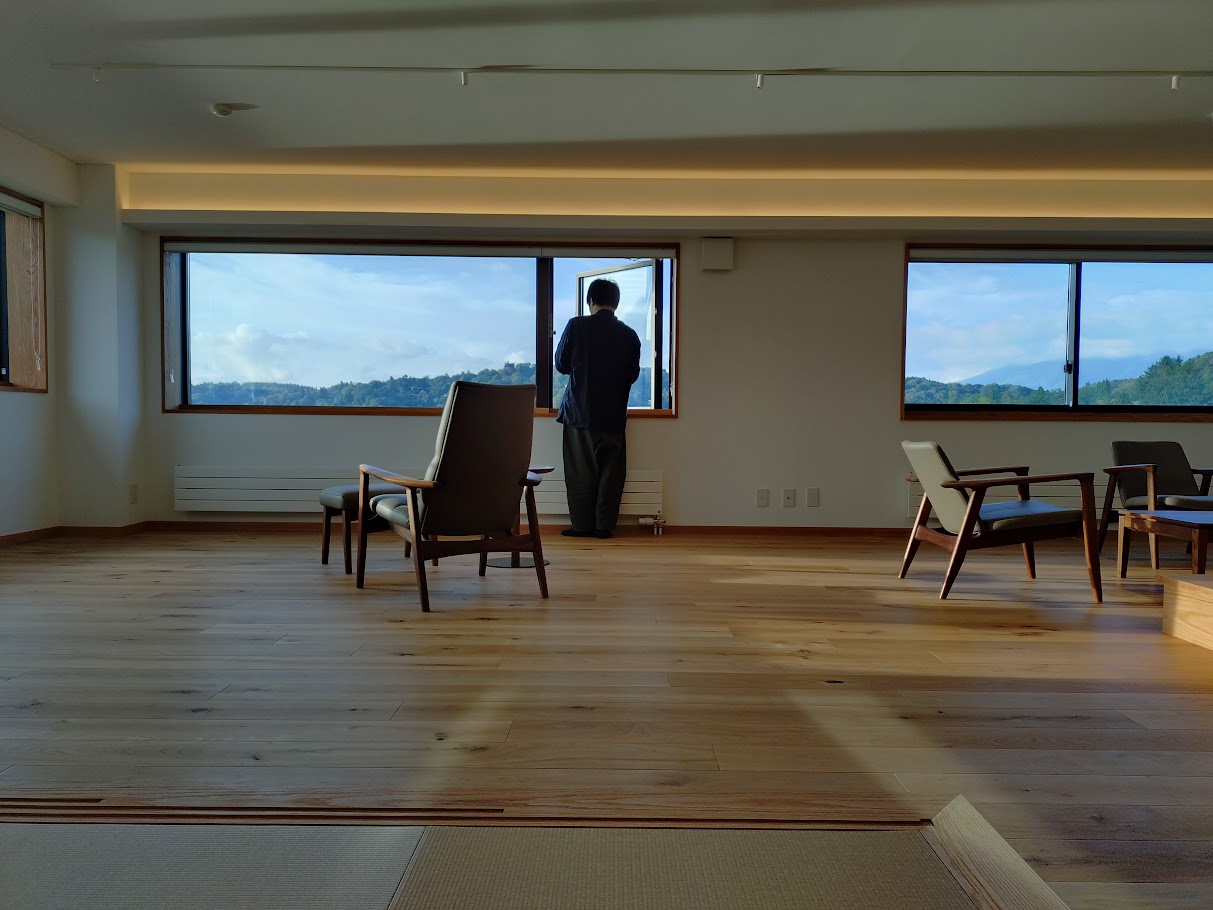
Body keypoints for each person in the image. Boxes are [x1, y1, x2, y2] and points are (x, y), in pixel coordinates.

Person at [555, 277, 642, 539]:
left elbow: (561, 364)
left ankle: (582, 526)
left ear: (590, 300)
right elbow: (633, 374)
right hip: (614, 414)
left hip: (580, 412)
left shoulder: (576, 326)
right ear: (616, 303)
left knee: (580, 472)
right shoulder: (630, 335)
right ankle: (604, 527)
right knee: (611, 474)